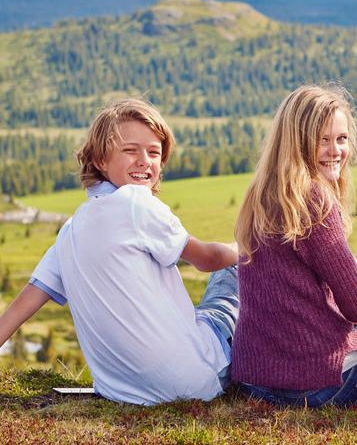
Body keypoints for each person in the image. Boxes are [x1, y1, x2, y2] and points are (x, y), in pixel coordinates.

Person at [0, 98, 239, 405]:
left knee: (199, 313)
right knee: (233, 270)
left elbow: (26, 301)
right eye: (130, 150)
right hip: (194, 383)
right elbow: (209, 259)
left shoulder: (70, 231)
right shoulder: (135, 202)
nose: (144, 161)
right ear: (100, 159)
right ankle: (281, 376)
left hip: (123, 393)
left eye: (154, 152)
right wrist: (247, 246)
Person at [232, 84, 357, 407]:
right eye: (322, 140)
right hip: (312, 388)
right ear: (298, 142)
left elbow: (328, 258)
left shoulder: (262, 194)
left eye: (341, 139)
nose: (335, 150)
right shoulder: (314, 199)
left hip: (254, 381)